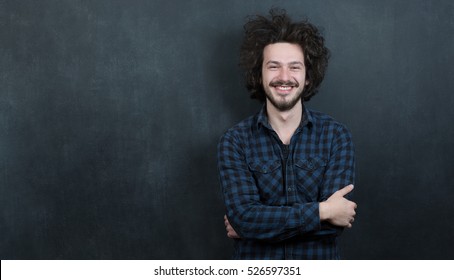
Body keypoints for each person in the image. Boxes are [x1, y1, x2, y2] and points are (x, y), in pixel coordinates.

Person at [217, 8, 357, 259]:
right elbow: (244, 218)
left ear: (307, 76)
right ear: (258, 74)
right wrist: (322, 211)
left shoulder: (336, 136)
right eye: (273, 66)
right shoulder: (234, 141)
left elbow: (335, 225)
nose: (284, 77)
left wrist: (253, 227)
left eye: (294, 67)